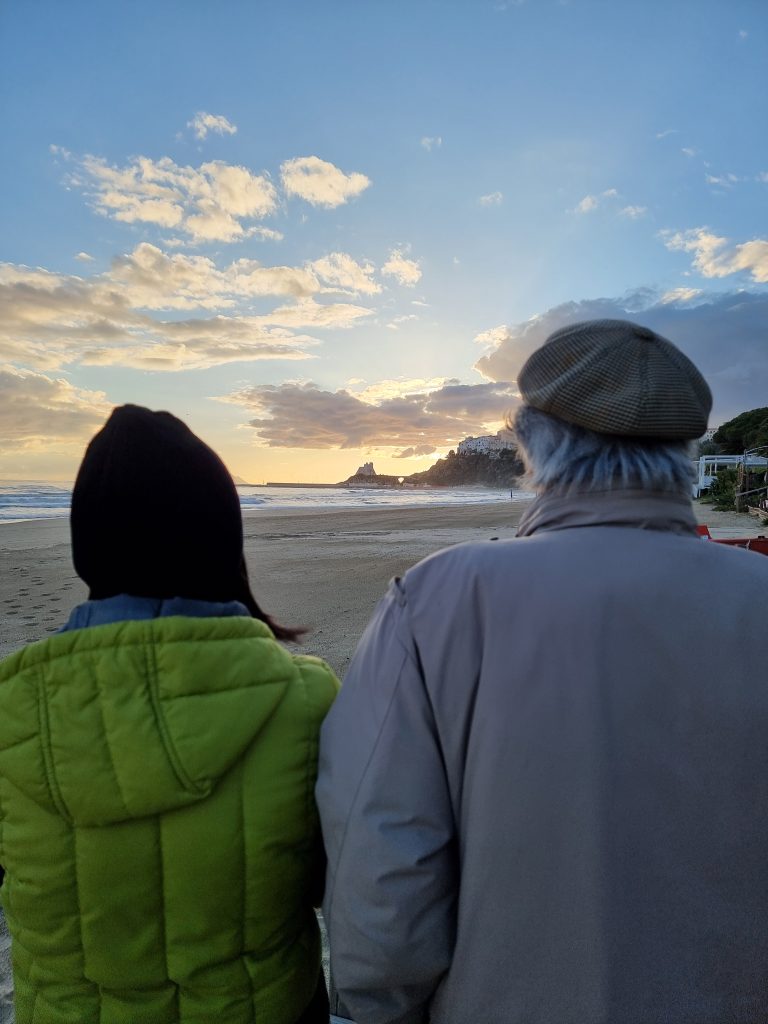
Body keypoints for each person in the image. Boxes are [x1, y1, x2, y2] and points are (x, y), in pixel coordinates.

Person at [316, 319, 768, 1024]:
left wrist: (372, 1008)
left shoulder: (441, 597)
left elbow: (384, 852)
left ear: (531, 443)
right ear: (687, 453)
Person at [0, 405, 338, 1024]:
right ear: (222, 537)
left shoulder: (10, 711)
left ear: (87, 546)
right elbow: (335, 886)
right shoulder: (305, 701)